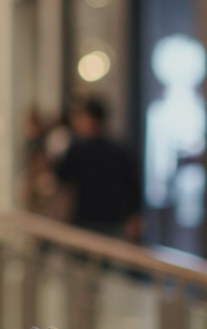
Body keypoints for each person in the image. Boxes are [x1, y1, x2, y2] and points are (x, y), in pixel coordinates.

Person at [54, 96, 142, 241]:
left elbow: (60, 176)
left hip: (86, 223)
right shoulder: (120, 151)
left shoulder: (78, 150)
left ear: (89, 119)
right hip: (114, 223)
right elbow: (133, 188)